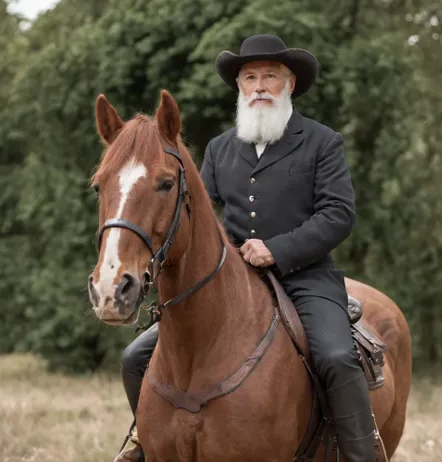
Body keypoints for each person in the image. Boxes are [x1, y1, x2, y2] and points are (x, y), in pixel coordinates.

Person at [115, 34, 375, 462]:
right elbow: (193, 215)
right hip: (231, 282)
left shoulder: (322, 142)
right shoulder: (219, 148)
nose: (258, 86)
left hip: (305, 276)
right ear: (239, 87)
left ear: (289, 83)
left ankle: (360, 456)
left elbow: (338, 215)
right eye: (249, 77)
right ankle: (148, 443)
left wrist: (277, 249)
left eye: (269, 76)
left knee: (335, 355)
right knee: (134, 357)